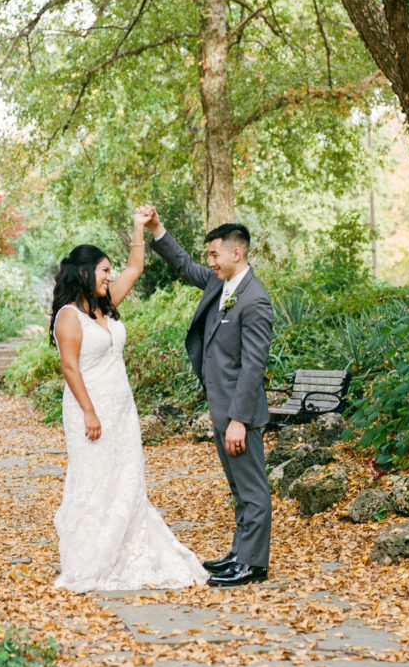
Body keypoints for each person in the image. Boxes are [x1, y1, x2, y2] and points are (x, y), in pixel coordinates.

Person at [50, 205, 208, 592]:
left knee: (126, 481)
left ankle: (130, 550)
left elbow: (135, 269)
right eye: (104, 270)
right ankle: (91, 558)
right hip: (90, 410)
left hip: (121, 410)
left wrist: (140, 226)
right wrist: (89, 412)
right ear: (85, 273)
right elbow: (70, 368)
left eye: (109, 271)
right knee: (94, 481)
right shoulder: (69, 317)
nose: (110, 276)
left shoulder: (106, 305)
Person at [147, 210, 273, 588]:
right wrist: (157, 228)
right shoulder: (220, 285)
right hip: (220, 409)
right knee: (238, 488)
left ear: (237, 253)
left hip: (239, 414)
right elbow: (184, 266)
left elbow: (253, 367)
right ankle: (240, 553)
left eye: (215, 255)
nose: (210, 262)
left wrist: (239, 419)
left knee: (252, 489)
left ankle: (253, 565)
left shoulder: (255, 301)